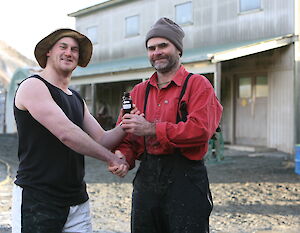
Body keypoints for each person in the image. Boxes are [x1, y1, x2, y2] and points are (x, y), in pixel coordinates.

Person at [12, 28, 130, 233]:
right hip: (38, 199)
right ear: (48, 51)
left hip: (76, 200)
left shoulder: (75, 98)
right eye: (63, 47)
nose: (69, 53)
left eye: (74, 50)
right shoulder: (33, 86)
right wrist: (111, 159)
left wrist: (128, 124)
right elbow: (67, 133)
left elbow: (102, 139)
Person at [115, 17, 223, 233]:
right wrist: (122, 158)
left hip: (186, 181)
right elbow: (125, 136)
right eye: (151, 48)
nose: (157, 52)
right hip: (147, 181)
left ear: (178, 50)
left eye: (163, 45)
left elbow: (200, 131)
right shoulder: (138, 92)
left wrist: (152, 128)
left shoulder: (198, 85)